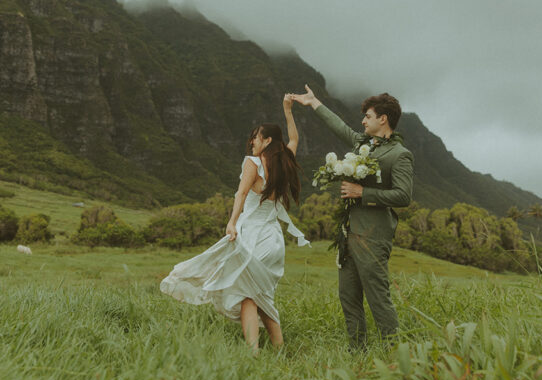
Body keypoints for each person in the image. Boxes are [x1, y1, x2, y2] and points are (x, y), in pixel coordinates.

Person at [160, 96, 309, 352]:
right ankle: (279, 349)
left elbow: (240, 194)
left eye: (257, 137)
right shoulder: (284, 162)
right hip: (273, 240)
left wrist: (231, 223)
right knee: (260, 295)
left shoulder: (252, 163)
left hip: (252, 236)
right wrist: (288, 111)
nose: (252, 142)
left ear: (267, 141)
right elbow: (294, 140)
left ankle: (254, 352)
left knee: (249, 296)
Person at [290, 84, 413, 347]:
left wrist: (362, 192)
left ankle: (396, 355)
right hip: (348, 233)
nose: (362, 121)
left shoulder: (400, 155)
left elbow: (403, 196)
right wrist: (314, 103)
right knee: (348, 297)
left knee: (379, 298)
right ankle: (358, 353)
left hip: (374, 235)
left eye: (367, 116)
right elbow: (341, 128)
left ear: (383, 119)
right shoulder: (363, 143)